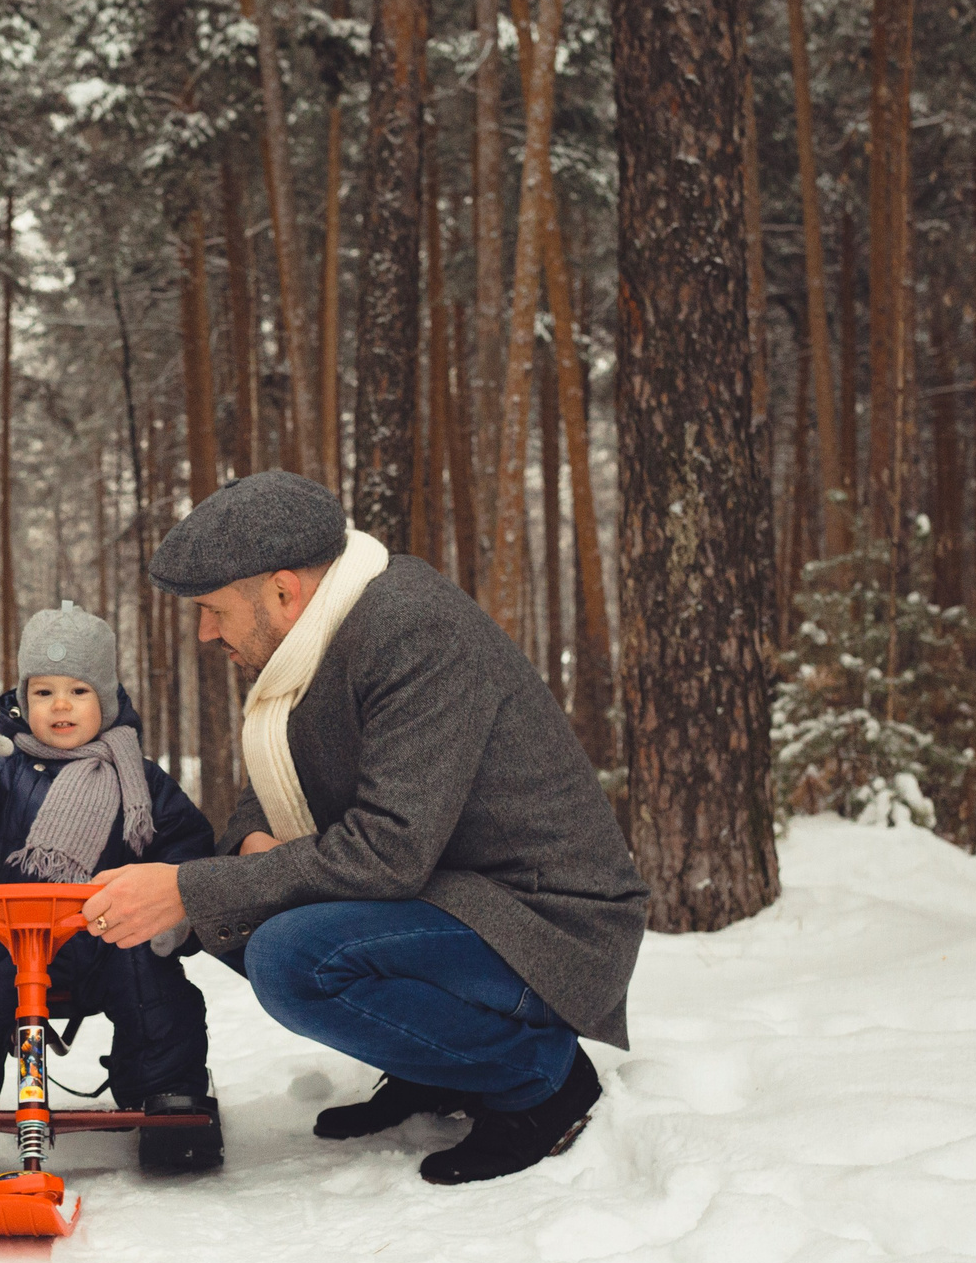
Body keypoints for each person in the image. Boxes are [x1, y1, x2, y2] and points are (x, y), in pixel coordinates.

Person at [77, 472, 650, 1184]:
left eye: (213, 609)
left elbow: (390, 849)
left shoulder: (410, 629)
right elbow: (277, 781)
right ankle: (438, 1070)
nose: (204, 632)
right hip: (452, 894)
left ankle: (542, 1082)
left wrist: (198, 888)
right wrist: (248, 851)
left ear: (284, 591)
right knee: (237, 915)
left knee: (289, 953)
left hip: (545, 921)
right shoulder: (316, 638)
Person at [0, 602, 221, 1171]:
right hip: (17, 942)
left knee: (152, 985)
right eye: (43, 693)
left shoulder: (138, 775)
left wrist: (174, 911)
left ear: (106, 700)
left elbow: (183, 841)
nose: (60, 705)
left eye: (78, 691)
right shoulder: (7, 771)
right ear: (22, 700)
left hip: (112, 935)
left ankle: (165, 1093)